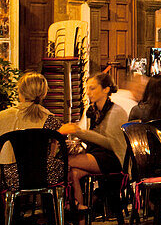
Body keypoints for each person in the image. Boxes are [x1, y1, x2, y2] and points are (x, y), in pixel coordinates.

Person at [59, 72, 128, 211]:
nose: (88, 93)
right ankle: (80, 214)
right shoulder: (92, 110)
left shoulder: (116, 111)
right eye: (87, 89)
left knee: (65, 162)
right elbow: (92, 136)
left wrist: (78, 132)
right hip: (96, 155)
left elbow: (110, 143)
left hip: (113, 158)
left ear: (106, 89)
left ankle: (66, 206)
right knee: (73, 174)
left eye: (92, 88)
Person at [0, 72, 64, 190]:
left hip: (9, 178)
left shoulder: (2, 117)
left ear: (20, 92)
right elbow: (59, 143)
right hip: (44, 175)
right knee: (70, 168)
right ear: (44, 93)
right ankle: (63, 205)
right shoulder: (50, 119)